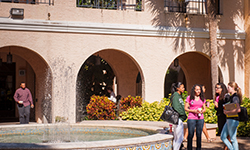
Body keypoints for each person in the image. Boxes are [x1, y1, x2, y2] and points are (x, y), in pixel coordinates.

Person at [220, 82, 242, 150]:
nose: (227, 89)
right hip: (229, 119)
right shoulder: (231, 97)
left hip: (233, 119)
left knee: (233, 138)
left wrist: (227, 112)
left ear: (232, 88)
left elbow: (238, 110)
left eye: (228, 87)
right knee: (223, 136)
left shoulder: (235, 97)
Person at [184, 84, 206, 150]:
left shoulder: (202, 98)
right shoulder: (189, 98)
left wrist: (202, 111)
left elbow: (204, 108)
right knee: (190, 134)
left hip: (200, 118)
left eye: (199, 90)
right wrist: (193, 111)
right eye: (197, 89)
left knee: (199, 134)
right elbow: (185, 108)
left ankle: (198, 148)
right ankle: (189, 148)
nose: (198, 91)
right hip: (191, 118)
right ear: (194, 90)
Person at [171, 82, 187, 150]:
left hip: (180, 118)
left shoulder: (178, 95)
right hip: (178, 118)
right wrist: (182, 114)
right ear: (178, 88)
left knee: (179, 137)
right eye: (182, 87)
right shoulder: (175, 95)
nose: (184, 89)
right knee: (178, 138)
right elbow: (176, 107)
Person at [214, 83, 230, 150]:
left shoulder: (226, 97)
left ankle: (227, 147)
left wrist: (217, 106)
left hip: (225, 117)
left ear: (222, 89)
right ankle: (226, 147)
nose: (216, 89)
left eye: (218, 88)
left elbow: (226, 107)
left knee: (227, 134)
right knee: (222, 133)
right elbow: (217, 109)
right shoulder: (218, 97)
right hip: (220, 116)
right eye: (216, 87)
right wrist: (216, 106)